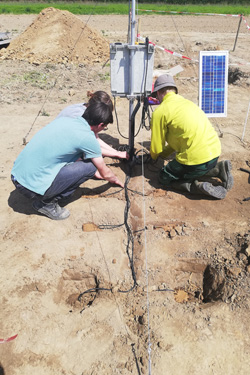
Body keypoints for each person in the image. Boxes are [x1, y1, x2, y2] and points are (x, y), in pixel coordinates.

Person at [11, 101, 126, 220]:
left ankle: (48, 191)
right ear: (100, 124)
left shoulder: (66, 120)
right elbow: (104, 171)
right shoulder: (87, 137)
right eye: (105, 127)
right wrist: (115, 179)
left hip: (17, 175)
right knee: (91, 167)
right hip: (29, 187)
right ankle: (46, 203)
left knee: (78, 158)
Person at [150, 74, 233, 199]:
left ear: (159, 92)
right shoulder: (188, 103)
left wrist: (153, 157)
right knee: (195, 166)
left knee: (165, 177)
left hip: (196, 159)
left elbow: (156, 149)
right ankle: (218, 169)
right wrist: (164, 154)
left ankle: (196, 186)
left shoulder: (160, 112)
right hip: (214, 152)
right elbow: (179, 139)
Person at [56, 90, 128, 160]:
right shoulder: (81, 117)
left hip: (63, 139)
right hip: (60, 148)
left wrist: (117, 152)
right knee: (91, 164)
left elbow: (95, 138)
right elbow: (90, 148)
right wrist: (117, 154)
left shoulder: (84, 108)